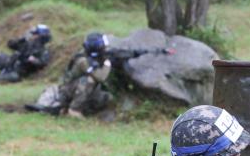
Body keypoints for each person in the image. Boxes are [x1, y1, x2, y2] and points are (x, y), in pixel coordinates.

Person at [26, 31, 174, 117]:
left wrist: (154, 51)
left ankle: (71, 109)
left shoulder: (100, 56)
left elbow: (126, 53)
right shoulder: (82, 60)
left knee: (105, 98)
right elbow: (100, 77)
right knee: (88, 80)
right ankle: (73, 109)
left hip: (85, 92)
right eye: (102, 45)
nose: (105, 47)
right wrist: (108, 64)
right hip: (69, 90)